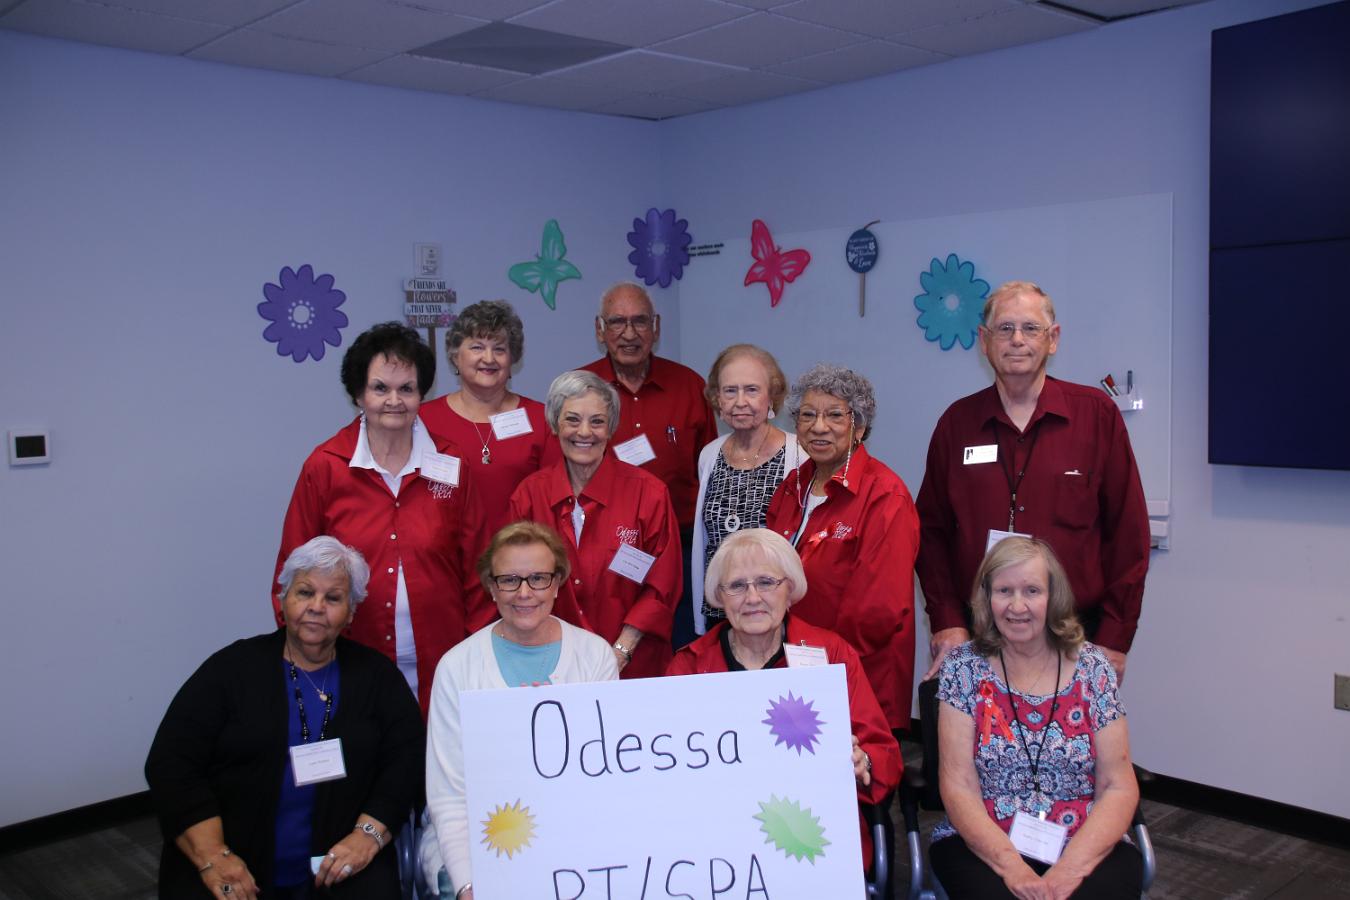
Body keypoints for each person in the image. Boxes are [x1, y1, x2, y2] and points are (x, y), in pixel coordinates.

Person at [146, 537, 424, 899]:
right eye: (305, 592)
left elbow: (408, 760)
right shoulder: (230, 670)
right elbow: (171, 763)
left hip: (340, 864)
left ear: (351, 612)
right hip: (235, 859)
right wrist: (213, 855)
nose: (316, 607)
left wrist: (367, 836)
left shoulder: (377, 677)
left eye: (333, 598)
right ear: (283, 598)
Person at [916, 281, 1150, 686]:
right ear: (984, 341)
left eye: (1030, 328)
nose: (1017, 340)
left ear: (1053, 339)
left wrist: (1115, 638)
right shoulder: (957, 423)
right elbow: (931, 532)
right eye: (1005, 329)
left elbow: (1128, 536)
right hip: (977, 634)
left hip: (1075, 635)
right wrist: (947, 620)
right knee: (970, 731)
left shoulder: (1097, 417)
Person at [275, 322, 491, 713]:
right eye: (380, 388)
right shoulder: (325, 467)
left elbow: (479, 567)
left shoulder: (452, 463)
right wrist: (306, 658)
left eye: (406, 388)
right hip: (350, 661)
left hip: (445, 663)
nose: (394, 400)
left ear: (421, 394)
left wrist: (477, 652)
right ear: (358, 394)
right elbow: (291, 575)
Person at [667, 528, 900, 873]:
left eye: (766, 582)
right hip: (721, 847)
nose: (752, 598)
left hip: (814, 843)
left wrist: (862, 761)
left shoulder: (832, 654)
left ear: (789, 589)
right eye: (737, 586)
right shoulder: (688, 666)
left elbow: (884, 753)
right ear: (719, 597)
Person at [932, 536, 1141, 899]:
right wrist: (1011, 867)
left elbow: (1117, 785)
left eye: (1032, 591)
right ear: (987, 597)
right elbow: (958, 785)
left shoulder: (1093, 668)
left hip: (1082, 838)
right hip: (984, 840)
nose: (1017, 606)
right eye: (1004, 591)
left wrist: (1070, 870)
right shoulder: (962, 668)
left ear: (1053, 597)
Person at [424, 521, 619, 900]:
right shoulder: (457, 666)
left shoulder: (595, 656)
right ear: (491, 587)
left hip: (575, 844)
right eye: (509, 580)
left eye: (539, 579)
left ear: (558, 583)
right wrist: (467, 884)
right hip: (480, 844)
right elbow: (449, 796)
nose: (525, 593)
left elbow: (603, 777)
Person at [764, 364, 920, 731]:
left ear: (859, 427)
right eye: (808, 415)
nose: (819, 427)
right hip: (794, 668)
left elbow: (877, 611)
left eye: (835, 415)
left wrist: (820, 666)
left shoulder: (885, 496)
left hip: (855, 679)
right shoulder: (792, 485)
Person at [509, 369, 681, 678]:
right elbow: (517, 583)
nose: (584, 432)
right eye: (572, 420)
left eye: (597, 421)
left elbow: (662, 586)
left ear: (611, 428)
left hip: (635, 666)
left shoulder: (649, 494)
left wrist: (620, 652)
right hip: (553, 666)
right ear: (555, 424)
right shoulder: (528, 497)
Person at [580, 282, 718, 649]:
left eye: (640, 321)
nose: (629, 334)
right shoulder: (581, 390)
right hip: (607, 547)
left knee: (683, 644)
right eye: (617, 322)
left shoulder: (689, 386)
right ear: (599, 329)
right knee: (612, 644)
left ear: (655, 328)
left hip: (684, 547)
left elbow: (709, 469)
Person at [691, 344, 806, 637]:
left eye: (752, 390)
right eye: (730, 391)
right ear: (717, 399)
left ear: (772, 396)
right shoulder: (709, 455)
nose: (740, 401)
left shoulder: (800, 455)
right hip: (721, 613)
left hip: (774, 616)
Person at [419, 300, 560, 538]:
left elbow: (552, 500)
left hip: (520, 554)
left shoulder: (541, 420)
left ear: (512, 359)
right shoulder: (423, 420)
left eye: (499, 349)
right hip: (446, 554)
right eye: (477, 347)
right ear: (455, 355)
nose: (489, 358)